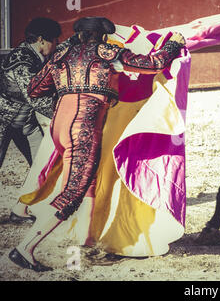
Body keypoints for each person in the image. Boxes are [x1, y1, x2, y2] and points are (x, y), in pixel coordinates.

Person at [8, 16, 186, 272]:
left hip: (60, 125)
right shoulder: (107, 51)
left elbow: (35, 89)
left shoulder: (61, 54)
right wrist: (172, 46)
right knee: (71, 194)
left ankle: (88, 238)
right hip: (82, 128)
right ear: (103, 36)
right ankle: (26, 248)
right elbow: (153, 64)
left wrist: (67, 84)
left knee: (87, 181)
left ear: (79, 34)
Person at [0, 18, 61, 171]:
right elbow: (35, 96)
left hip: (25, 122)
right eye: (54, 40)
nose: (55, 45)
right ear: (41, 39)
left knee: (43, 165)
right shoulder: (21, 58)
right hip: (3, 119)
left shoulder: (32, 56)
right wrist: (66, 113)